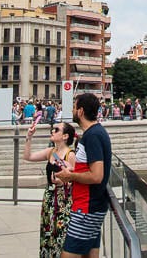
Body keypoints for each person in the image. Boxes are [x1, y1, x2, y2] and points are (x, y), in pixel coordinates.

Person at [56, 93, 111, 258]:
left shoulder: (92, 136)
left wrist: (70, 176)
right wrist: (73, 171)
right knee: (89, 254)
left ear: (80, 111)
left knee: (69, 254)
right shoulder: (95, 133)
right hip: (90, 207)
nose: (72, 111)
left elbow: (96, 176)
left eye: (74, 107)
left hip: (87, 208)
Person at [24, 119, 77, 257]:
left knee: (61, 233)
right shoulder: (51, 152)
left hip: (63, 199)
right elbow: (28, 156)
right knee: (47, 232)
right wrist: (29, 137)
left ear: (65, 136)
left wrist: (62, 180)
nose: (53, 131)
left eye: (57, 130)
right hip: (49, 196)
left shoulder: (70, 155)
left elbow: (74, 178)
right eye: (53, 129)